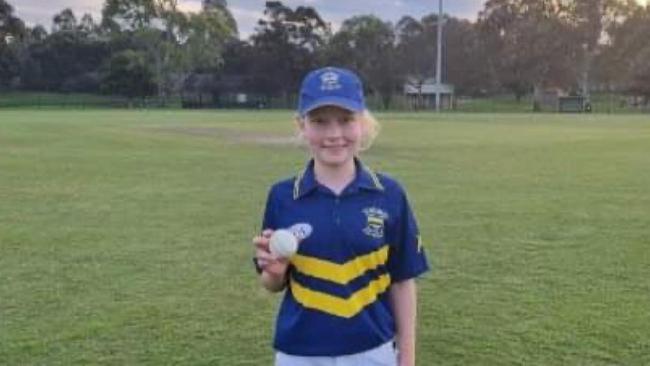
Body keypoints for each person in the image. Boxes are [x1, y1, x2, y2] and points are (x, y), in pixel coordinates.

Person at [253, 66, 429, 366]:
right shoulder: (283, 196)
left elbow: (402, 282)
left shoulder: (389, 194)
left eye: (345, 120)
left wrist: (407, 358)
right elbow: (272, 285)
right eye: (320, 122)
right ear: (302, 125)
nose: (334, 134)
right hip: (300, 353)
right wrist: (274, 272)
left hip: (373, 350)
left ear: (361, 122)